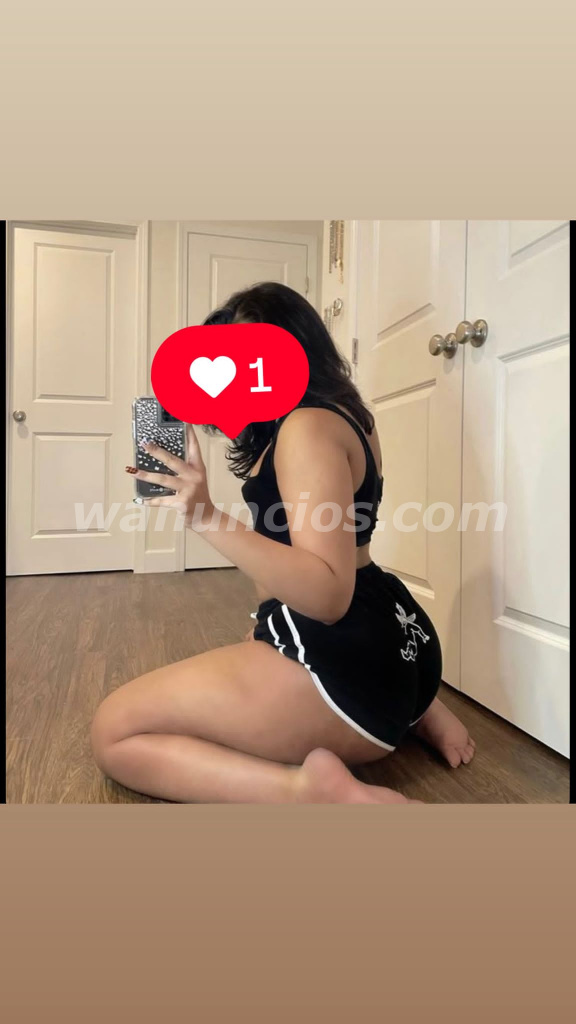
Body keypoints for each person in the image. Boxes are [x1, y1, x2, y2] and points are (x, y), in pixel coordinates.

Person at [91, 282, 475, 802]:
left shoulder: (305, 429)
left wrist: (205, 516)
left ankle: (308, 791)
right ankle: (418, 710)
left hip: (351, 668)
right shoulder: (345, 415)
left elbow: (328, 595)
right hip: (397, 635)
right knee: (255, 638)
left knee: (116, 732)